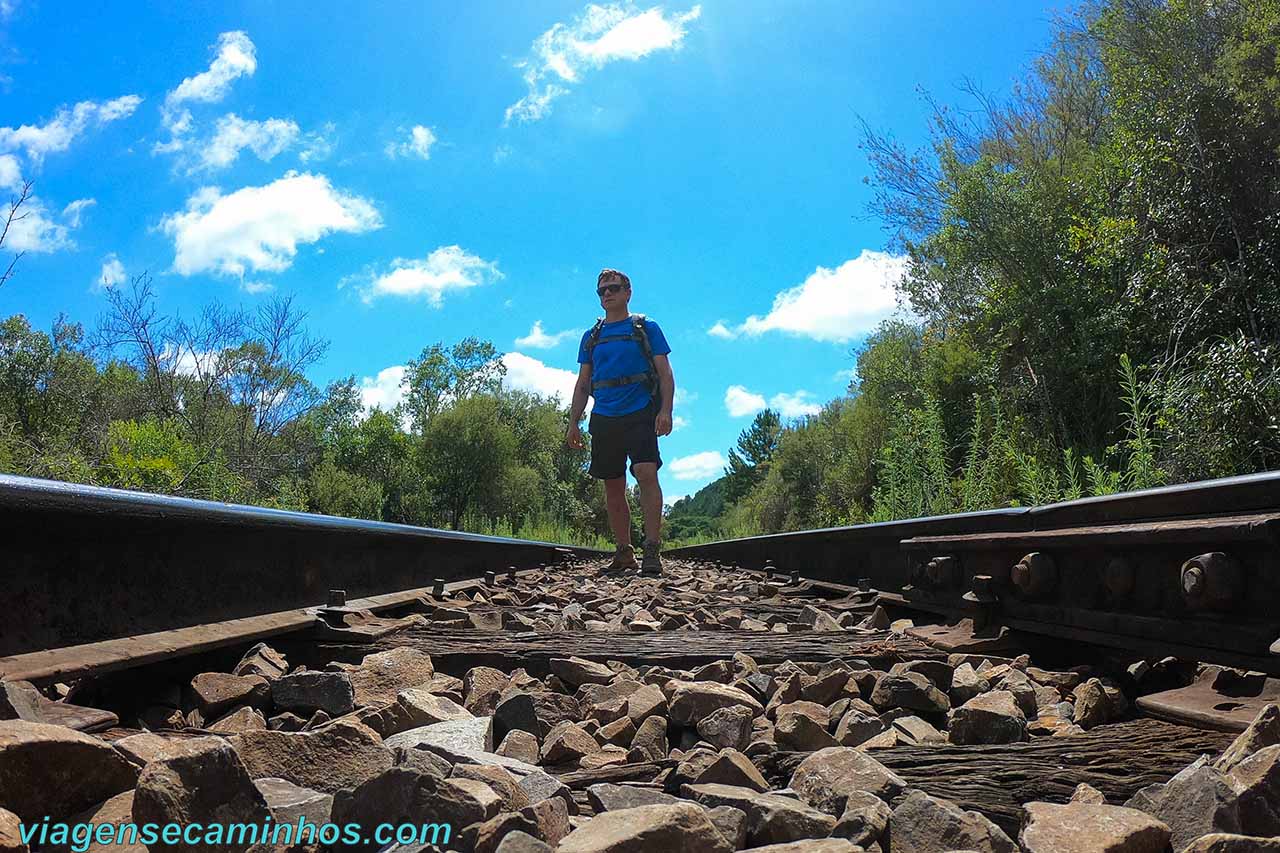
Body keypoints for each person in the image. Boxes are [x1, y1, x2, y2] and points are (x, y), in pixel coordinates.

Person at [566, 268, 675, 574]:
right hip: (604, 417)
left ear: (628, 292)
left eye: (613, 288)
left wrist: (665, 410)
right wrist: (573, 422)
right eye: (602, 291)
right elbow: (583, 383)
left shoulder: (645, 327)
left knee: (645, 473)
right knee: (613, 486)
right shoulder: (592, 336)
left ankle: (652, 549)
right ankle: (624, 551)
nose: (607, 294)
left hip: (640, 411)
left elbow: (665, 373)